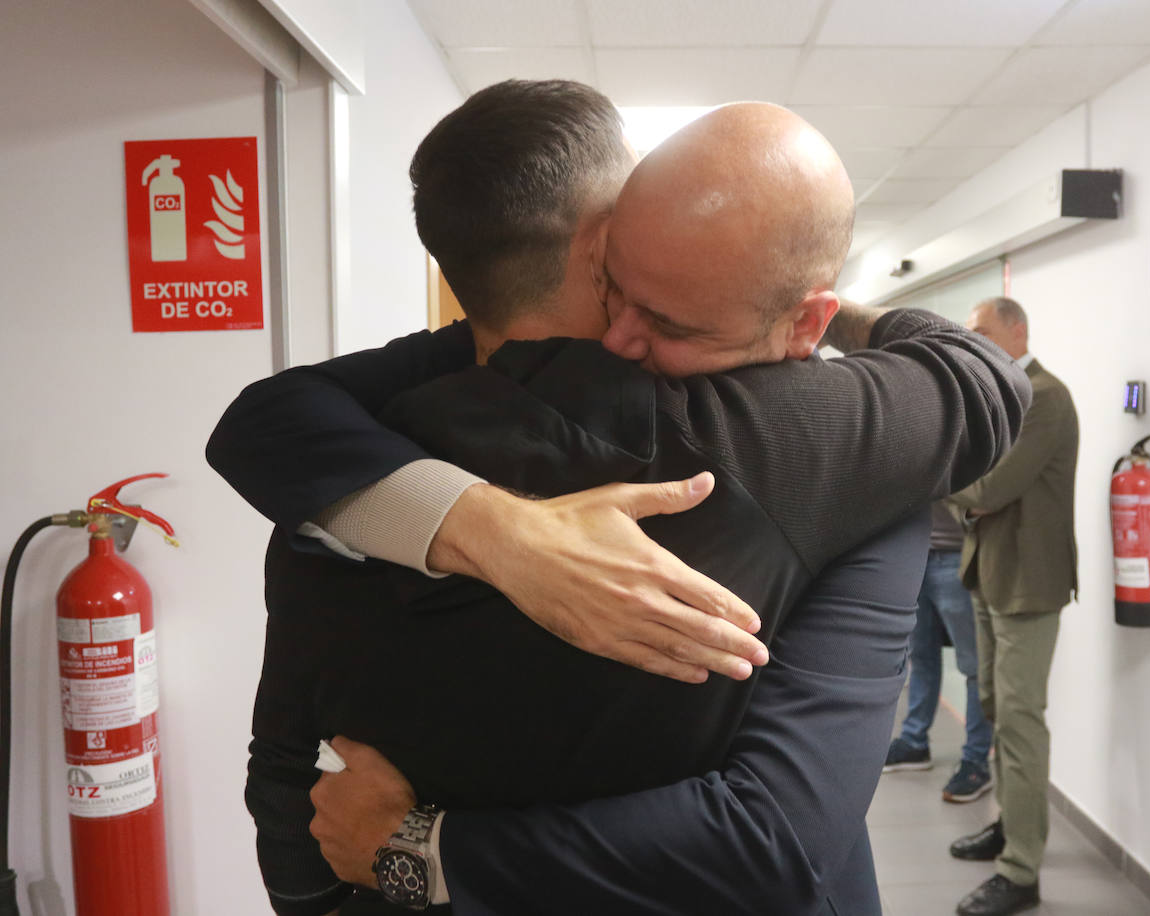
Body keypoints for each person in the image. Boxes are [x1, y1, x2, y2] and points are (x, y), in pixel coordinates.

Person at [208, 82, 1031, 915]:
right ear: (603, 243)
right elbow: (985, 382)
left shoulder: (344, 474)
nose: (634, 338)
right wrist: (498, 533)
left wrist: (405, 856)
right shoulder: (822, 449)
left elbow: (287, 780)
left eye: (673, 322)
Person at [944, 297, 1079, 916]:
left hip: (1029, 584)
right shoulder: (1004, 394)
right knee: (996, 707)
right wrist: (966, 492)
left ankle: (1021, 870)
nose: (972, 340)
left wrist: (943, 482)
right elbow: (980, 485)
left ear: (1017, 329)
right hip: (989, 575)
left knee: (1021, 720)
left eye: (981, 331)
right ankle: (1011, 826)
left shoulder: (1044, 396)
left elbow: (993, 486)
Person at [883, 497, 994, 803]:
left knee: (974, 665)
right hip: (914, 555)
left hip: (958, 556)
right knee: (920, 657)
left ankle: (976, 760)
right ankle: (914, 742)